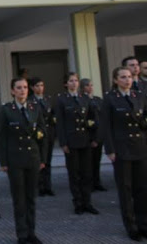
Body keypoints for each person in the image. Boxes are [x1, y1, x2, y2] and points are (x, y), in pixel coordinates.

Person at [101, 66, 147, 241]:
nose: (127, 80)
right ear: (115, 80)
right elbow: (107, 127)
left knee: (142, 189)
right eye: (122, 77)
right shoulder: (110, 99)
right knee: (126, 190)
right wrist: (110, 150)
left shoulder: (139, 96)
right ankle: (131, 227)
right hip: (122, 150)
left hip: (140, 148)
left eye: (128, 77)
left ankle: (144, 224)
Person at [0, 77, 46, 244]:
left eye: (25, 87)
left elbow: (42, 132)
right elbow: (2, 138)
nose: (22, 90)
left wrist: (42, 158)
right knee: (19, 199)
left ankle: (32, 232)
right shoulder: (6, 110)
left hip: (32, 157)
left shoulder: (35, 108)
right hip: (15, 160)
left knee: (31, 197)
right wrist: (4, 162)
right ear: (13, 91)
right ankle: (22, 234)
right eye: (19, 88)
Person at [55, 72, 99, 215]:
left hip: (85, 139)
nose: (74, 83)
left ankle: (88, 202)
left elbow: (93, 119)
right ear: (65, 84)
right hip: (71, 141)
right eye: (71, 81)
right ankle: (78, 203)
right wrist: (63, 142)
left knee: (87, 173)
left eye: (76, 80)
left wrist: (94, 138)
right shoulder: (62, 100)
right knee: (74, 173)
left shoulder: (84, 98)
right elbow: (60, 123)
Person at [28, 77, 56, 196]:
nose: (40, 88)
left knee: (47, 160)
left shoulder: (47, 99)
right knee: (37, 161)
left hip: (47, 133)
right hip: (35, 134)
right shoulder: (29, 101)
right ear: (32, 88)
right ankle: (38, 186)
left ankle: (47, 186)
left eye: (42, 85)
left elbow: (52, 116)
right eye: (37, 85)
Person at [80, 78, 106, 192]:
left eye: (91, 85)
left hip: (99, 134)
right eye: (87, 85)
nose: (90, 87)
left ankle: (97, 182)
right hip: (89, 135)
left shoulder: (98, 100)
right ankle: (89, 184)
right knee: (88, 163)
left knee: (97, 160)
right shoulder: (82, 100)